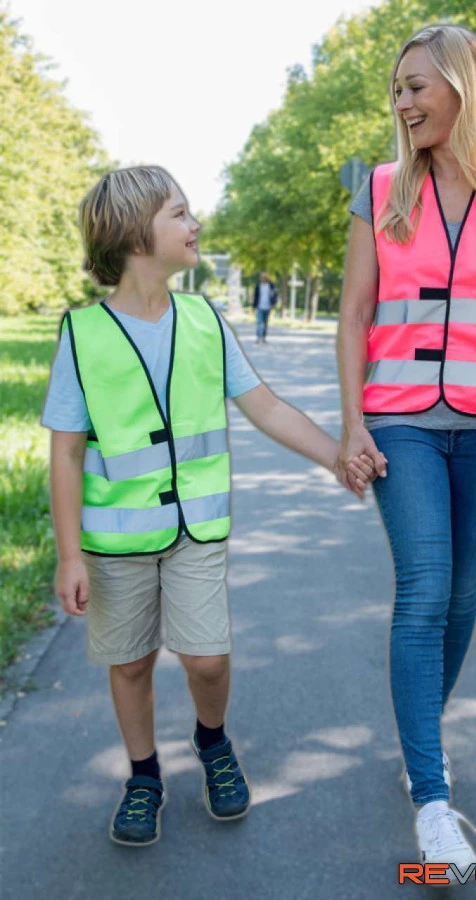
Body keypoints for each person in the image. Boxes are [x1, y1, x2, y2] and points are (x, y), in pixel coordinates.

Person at [41, 166, 376, 847]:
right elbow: (67, 453)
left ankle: (213, 742)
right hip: (115, 542)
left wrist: (339, 453)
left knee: (207, 661)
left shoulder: (203, 318)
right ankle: (143, 776)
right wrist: (69, 553)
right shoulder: (82, 335)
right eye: (180, 213)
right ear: (137, 236)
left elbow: (267, 407)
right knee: (130, 663)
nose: (196, 225)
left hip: (198, 532)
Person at [336, 24, 476, 881]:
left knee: (463, 596)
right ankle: (432, 800)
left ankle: (418, 735)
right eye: (397, 89)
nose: (402, 101)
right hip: (401, 422)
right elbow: (354, 313)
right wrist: (353, 423)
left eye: (417, 85)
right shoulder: (380, 186)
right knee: (424, 587)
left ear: (466, 86)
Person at [253, 271, 278, 343]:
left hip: (268, 307)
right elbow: (255, 297)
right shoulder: (258, 286)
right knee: (259, 322)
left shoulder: (271, 286)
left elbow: (275, 294)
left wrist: (274, 303)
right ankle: (258, 338)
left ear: (266, 278)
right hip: (259, 307)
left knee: (265, 323)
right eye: (261, 277)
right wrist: (254, 306)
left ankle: (263, 337)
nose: (262, 278)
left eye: (264, 277)